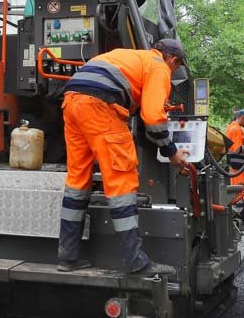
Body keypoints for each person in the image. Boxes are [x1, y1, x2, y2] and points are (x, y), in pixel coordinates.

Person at [56, 38, 190, 276]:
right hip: (100, 106)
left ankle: (68, 257)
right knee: (122, 180)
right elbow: (152, 117)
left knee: (77, 180)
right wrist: (172, 151)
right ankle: (135, 262)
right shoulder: (159, 66)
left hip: (72, 100)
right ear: (173, 59)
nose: (173, 71)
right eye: (176, 67)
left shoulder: (131, 56)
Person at [225, 109, 244, 221]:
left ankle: (236, 220)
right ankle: (240, 220)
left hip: (234, 168)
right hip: (239, 169)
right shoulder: (237, 129)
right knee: (243, 193)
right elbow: (237, 149)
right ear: (243, 117)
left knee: (236, 193)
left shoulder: (230, 127)